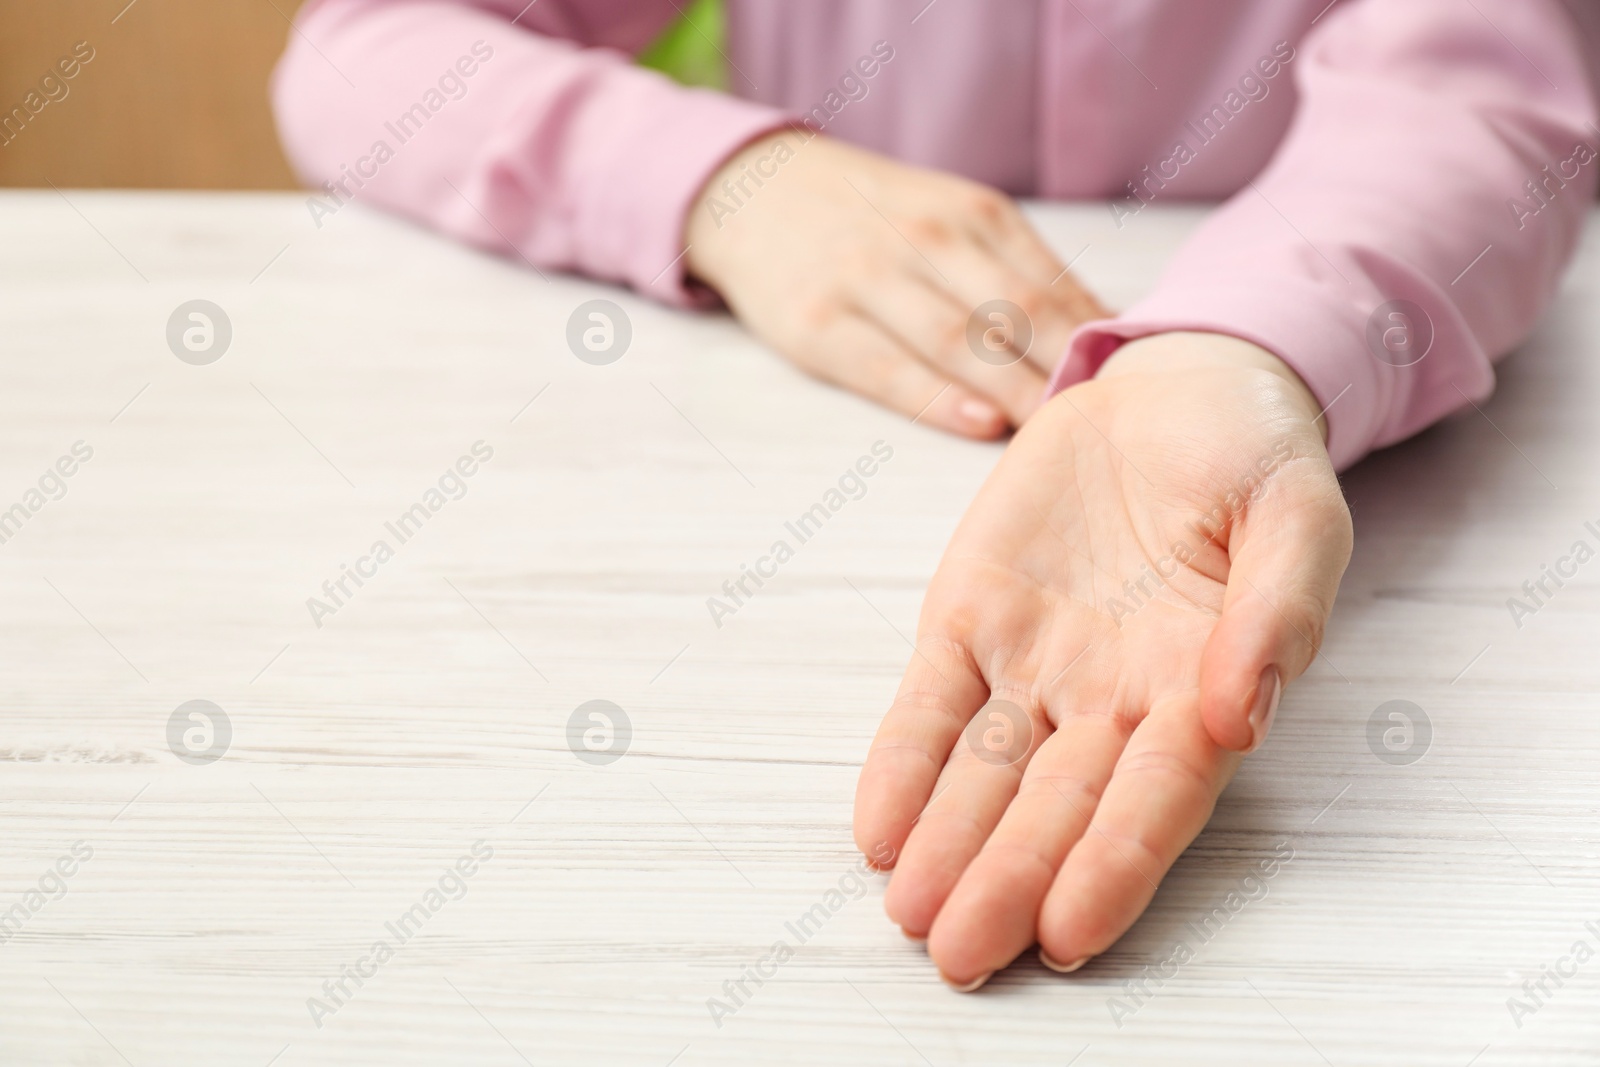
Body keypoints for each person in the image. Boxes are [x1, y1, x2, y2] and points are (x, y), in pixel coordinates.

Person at [272, 0, 1600, 990]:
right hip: (770, 463)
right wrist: (733, 187)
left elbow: (1481, 95)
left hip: (1341, 465)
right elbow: (367, 47)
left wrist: (1246, 345)